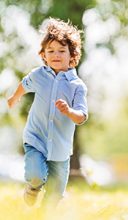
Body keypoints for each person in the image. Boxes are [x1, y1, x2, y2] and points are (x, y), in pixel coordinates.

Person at [7, 18, 88, 206]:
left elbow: (82, 116)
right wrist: (14, 98)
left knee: (54, 196)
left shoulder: (77, 86)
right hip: (36, 138)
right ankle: (33, 187)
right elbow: (24, 84)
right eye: (50, 51)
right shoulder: (39, 75)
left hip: (60, 148)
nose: (56, 55)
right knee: (35, 175)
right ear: (44, 55)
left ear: (72, 55)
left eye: (61, 51)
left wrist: (69, 111)